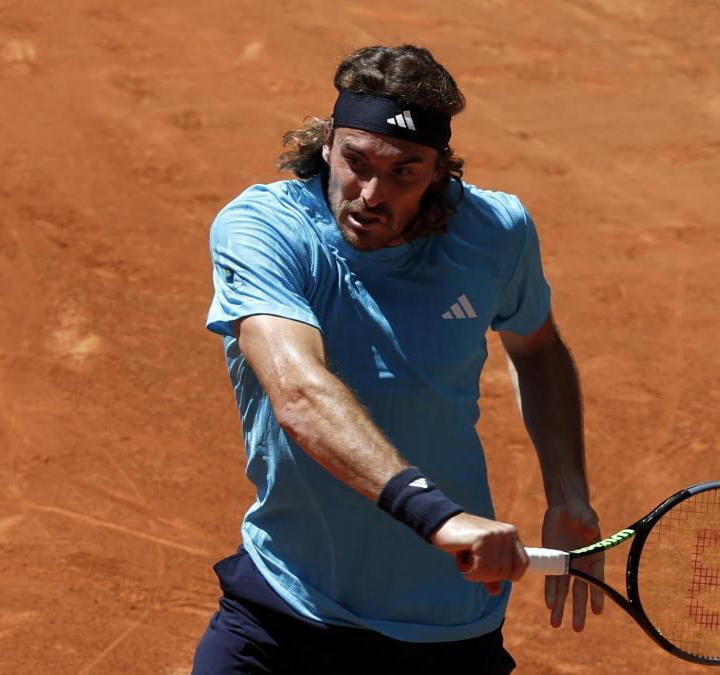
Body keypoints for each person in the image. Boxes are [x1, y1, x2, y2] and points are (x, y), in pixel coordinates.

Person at [195, 44, 604, 673]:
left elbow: (538, 348)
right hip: (284, 614)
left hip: (441, 636)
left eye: (404, 172)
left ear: (439, 169)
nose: (370, 194)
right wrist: (439, 519)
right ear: (327, 143)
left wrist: (568, 494)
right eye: (356, 162)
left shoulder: (495, 232)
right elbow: (300, 392)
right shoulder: (264, 230)